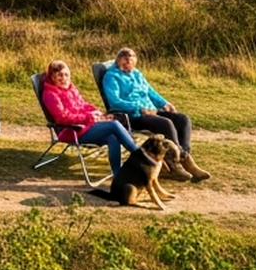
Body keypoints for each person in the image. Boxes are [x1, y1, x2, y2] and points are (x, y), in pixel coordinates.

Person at [100, 47, 210, 182]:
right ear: (118, 61)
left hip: (151, 111)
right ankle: (174, 165)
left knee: (183, 119)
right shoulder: (111, 77)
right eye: (124, 60)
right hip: (133, 116)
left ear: (135, 61)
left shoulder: (137, 74)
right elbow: (114, 102)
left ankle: (183, 158)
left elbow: (150, 92)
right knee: (166, 123)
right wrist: (140, 108)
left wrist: (164, 103)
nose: (128, 63)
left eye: (131, 59)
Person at [39, 60, 137, 180]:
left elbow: (84, 105)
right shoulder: (50, 94)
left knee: (113, 138)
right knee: (114, 125)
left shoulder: (71, 88)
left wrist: (99, 114)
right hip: (73, 131)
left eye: (66, 75)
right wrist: (89, 118)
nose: (63, 78)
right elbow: (62, 117)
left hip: (87, 125)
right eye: (59, 76)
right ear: (52, 78)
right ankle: (139, 155)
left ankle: (118, 175)